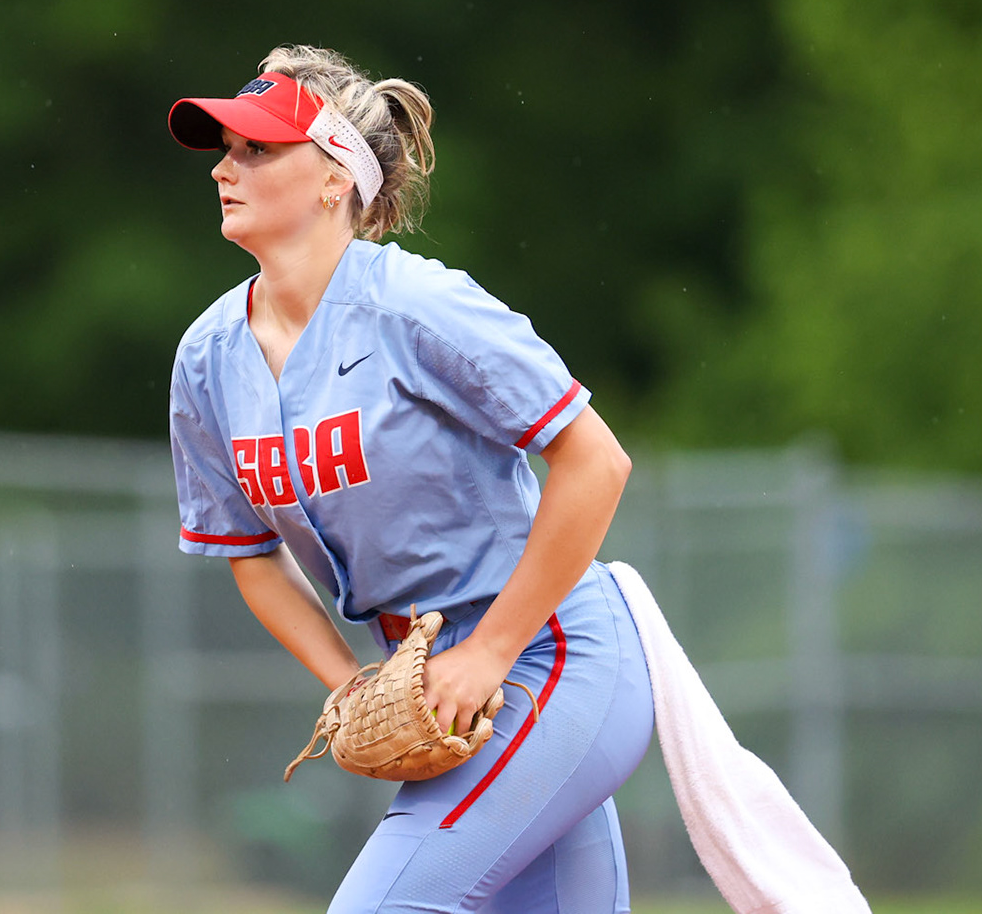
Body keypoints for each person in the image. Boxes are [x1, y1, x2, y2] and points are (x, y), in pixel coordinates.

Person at [166, 45, 655, 913]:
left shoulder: (413, 304)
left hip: (551, 652)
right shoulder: (209, 358)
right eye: (225, 149)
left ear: (333, 179)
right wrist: (346, 681)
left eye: (256, 149)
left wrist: (494, 649)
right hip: (427, 675)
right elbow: (247, 552)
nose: (224, 168)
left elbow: (595, 461)